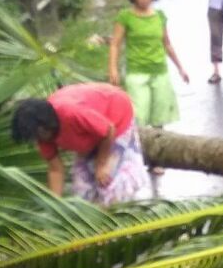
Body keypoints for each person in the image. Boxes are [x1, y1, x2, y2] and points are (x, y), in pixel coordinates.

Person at [11, 83, 147, 205]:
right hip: (91, 132)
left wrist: (101, 164)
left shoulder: (70, 113)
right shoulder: (42, 135)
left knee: (108, 185)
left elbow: (108, 130)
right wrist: (55, 207)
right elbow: (55, 170)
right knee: (82, 192)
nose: (37, 141)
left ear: (44, 126)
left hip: (115, 116)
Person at [109, 0, 188, 174]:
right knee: (139, 116)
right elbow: (115, 44)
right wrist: (113, 68)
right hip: (137, 73)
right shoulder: (125, 17)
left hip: (159, 71)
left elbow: (166, 43)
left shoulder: (159, 16)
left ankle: (156, 159)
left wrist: (180, 67)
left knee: (159, 117)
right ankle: (135, 158)